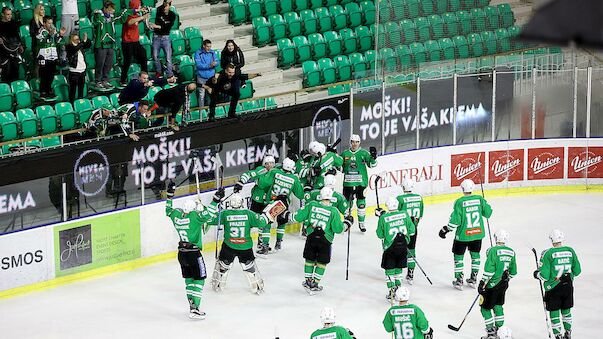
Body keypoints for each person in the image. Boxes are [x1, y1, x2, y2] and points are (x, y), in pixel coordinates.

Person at [165, 182, 220, 320]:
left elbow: (168, 210)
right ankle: (195, 309)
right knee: (200, 280)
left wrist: (169, 196)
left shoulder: (176, 214)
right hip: (193, 253)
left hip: (181, 254)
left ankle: (191, 306)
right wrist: (215, 200)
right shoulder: (195, 216)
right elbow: (209, 215)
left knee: (189, 281)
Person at [287, 187, 348, 295]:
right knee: (322, 262)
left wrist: (287, 216)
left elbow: (299, 217)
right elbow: (338, 229)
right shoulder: (334, 211)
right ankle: (314, 284)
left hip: (311, 236)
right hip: (325, 240)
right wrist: (347, 224)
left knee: (309, 260)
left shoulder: (312, 204)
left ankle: (307, 281)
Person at [209, 193, 269, 294]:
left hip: (229, 246)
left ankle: (219, 284)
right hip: (245, 246)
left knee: (223, 265)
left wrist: (202, 210)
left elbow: (210, 219)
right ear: (242, 203)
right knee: (249, 266)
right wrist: (268, 215)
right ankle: (257, 286)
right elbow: (262, 222)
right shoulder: (248, 213)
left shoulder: (225, 213)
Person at [439, 179, 493, 290]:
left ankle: (459, 280)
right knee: (475, 256)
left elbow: (455, 221)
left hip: (463, 235)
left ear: (462, 189)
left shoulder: (459, 202)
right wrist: (485, 203)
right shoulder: (479, 199)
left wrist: (446, 229)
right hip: (477, 234)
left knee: (458, 257)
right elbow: (488, 213)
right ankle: (474, 278)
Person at [534, 229, 582, 339]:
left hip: (553, 287)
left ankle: (558, 336)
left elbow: (544, 276)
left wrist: (537, 274)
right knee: (566, 310)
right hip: (568, 286)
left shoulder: (548, 253)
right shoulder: (570, 251)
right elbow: (578, 270)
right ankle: (568, 332)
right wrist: (569, 277)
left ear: (551, 239)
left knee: (554, 312)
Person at [256, 157, 304, 254]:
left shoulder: (275, 172)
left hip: (272, 201)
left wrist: (259, 179)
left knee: (266, 223)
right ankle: (278, 243)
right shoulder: (294, 178)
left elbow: (263, 184)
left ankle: (265, 246)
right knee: (281, 222)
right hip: (284, 202)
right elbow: (300, 194)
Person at [478, 229, 517, 339]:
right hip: (503, 284)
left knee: (485, 308)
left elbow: (489, 271)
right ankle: (500, 330)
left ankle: (491, 332)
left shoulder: (493, 251)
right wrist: (506, 279)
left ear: (496, 238)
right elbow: (513, 272)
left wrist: (482, 283)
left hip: (491, 285)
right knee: (498, 305)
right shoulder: (511, 252)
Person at [375, 197, 415, 301]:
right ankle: (398, 288)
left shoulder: (384, 218)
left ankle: (391, 291)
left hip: (390, 248)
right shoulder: (405, 214)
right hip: (403, 248)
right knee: (398, 270)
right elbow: (412, 231)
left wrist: (380, 218)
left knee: (389, 271)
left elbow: (379, 235)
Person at [233, 155, 275, 249]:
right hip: (256, 200)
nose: (270, 165)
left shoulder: (276, 172)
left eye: (272, 163)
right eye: (268, 163)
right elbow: (248, 174)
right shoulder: (261, 170)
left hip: (268, 201)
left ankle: (263, 244)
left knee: (266, 223)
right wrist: (241, 182)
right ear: (264, 164)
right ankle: (241, 239)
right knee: (250, 222)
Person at [342, 134, 377, 232]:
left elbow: (372, 165)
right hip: (348, 183)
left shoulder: (364, 153)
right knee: (347, 204)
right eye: (353, 141)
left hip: (361, 183)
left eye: (357, 142)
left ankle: (361, 224)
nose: (355, 144)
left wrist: (373, 157)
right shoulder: (345, 153)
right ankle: (346, 222)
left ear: (359, 142)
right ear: (350, 142)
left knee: (361, 203)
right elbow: (340, 167)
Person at [92, 1, 128, 89]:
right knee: (100, 63)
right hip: (101, 44)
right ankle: (98, 81)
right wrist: (97, 15)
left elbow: (122, 17)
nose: (112, 11)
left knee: (108, 63)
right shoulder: (98, 15)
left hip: (110, 44)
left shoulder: (112, 16)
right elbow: (96, 23)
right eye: (110, 9)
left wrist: (134, 10)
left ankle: (105, 80)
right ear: (105, 8)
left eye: (112, 10)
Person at [396, 178, 424, 284]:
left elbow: (396, 214)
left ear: (403, 187)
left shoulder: (400, 198)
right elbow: (420, 215)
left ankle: (396, 274)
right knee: (411, 250)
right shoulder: (419, 198)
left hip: (401, 230)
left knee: (397, 250)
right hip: (413, 228)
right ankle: (410, 273)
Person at [120, 0, 150, 87]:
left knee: (143, 56)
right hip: (127, 43)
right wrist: (142, 17)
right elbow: (130, 22)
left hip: (135, 42)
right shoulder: (127, 15)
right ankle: (123, 80)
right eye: (139, 5)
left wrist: (146, 20)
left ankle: (145, 78)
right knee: (127, 61)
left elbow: (137, 21)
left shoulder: (137, 15)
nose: (140, 6)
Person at [36, 16, 66, 100]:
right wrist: (49, 35)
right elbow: (41, 43)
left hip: (53, 57)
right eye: (49, 23)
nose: (50, 25)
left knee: (51, 75)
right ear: (44, 23)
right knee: (44, 75)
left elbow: (59, 42)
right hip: (43, 57)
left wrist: (60, 35)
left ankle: (49, 90)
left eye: (51, 23)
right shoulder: (41, 31)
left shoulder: (54, 31)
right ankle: (43, 92)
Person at [149, 0, 175, 77]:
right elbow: (160, 7)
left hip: (166, 38)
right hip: (156, 37)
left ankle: (169, 74)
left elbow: (167, 28)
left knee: (168, 58)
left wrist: (156, 26)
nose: (164, 8)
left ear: (169, 6)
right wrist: (165, 2)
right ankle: (158, 71)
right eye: (164, 6)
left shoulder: (172, 15)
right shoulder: (159, 10)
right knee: (155, 56)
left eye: (166, 6)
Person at [65, 32, 91, 102]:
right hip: (74, 72)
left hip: (82, 71)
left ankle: (80, 102)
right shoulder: (69, 46)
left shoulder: (80, 46)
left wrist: (86, 39)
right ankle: (72, 103)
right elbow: (75, 49)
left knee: (81, 88)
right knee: (73, 89)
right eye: (76, 39)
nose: (78, 40)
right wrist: (83, 42)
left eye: (78, 39)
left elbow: (88, 45)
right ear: (71, 39)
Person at [0, 7, 22, 83]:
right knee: (6, 71)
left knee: (15, 70)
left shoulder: (13, 23)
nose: (10, 16)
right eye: (7, 14)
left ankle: (15, 86)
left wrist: (20, 45)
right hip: (3, 52)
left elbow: (17, 36)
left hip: (14, 50)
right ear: (3, 14)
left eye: (10, 14)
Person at [194, 39, 218, 108]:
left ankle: (210, 111)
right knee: (202, 95)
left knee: (211, 93)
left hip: (211, 77)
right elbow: (198, 65)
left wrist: (215, 63)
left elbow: (217, 61)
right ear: (203, 46)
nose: (209, 48)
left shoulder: (212, 52)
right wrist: (209, 65)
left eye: (210, 46)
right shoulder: (198, 53)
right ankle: (201, 112)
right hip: (201, 77)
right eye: (207, 46)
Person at [29, 4, 45, 70]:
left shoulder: (45, 20)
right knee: (38, 63)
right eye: (41, 9)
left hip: (45, 44)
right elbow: (32, 34)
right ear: (38, 11)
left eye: (44, 9)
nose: (43, 11)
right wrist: (39, 31)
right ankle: (37, 79)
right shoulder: (33, 21)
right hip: (37, 45)